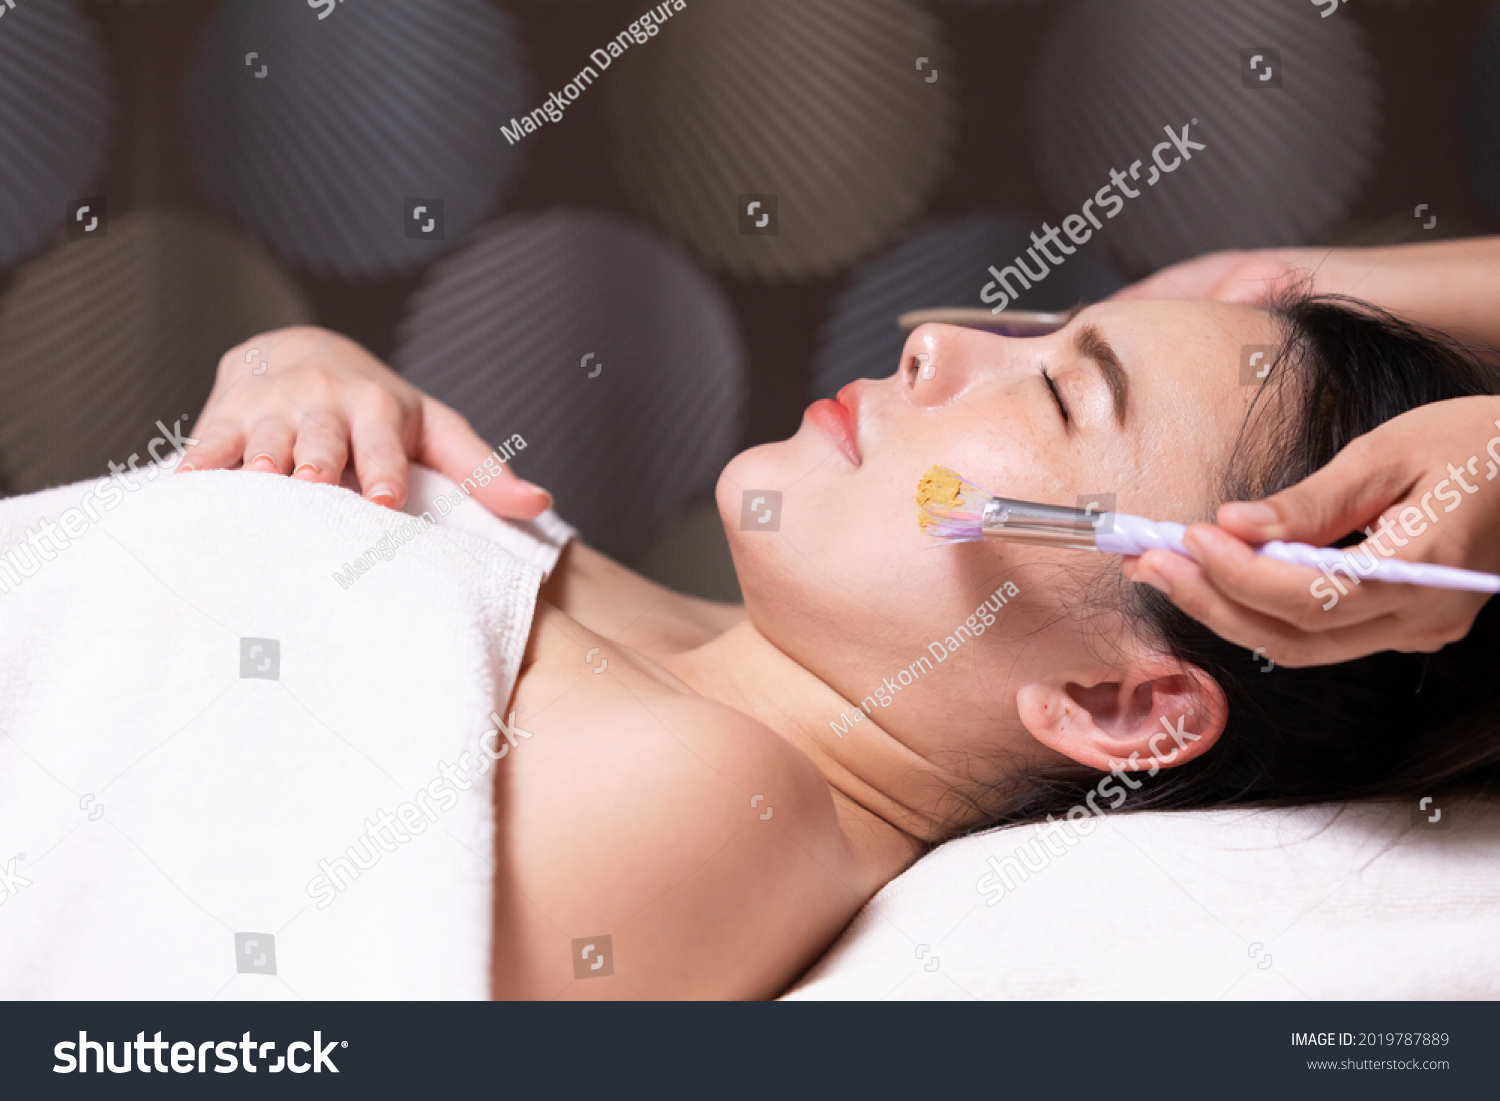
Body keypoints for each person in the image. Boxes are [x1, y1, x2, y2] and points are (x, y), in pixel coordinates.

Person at [162, 242, 1500, 998]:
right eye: (1043, 332)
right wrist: (304, 377)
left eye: (1054, 400)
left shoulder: (706, 798)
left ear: (1121, 702)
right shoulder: (630, 618)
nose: (935, 341)